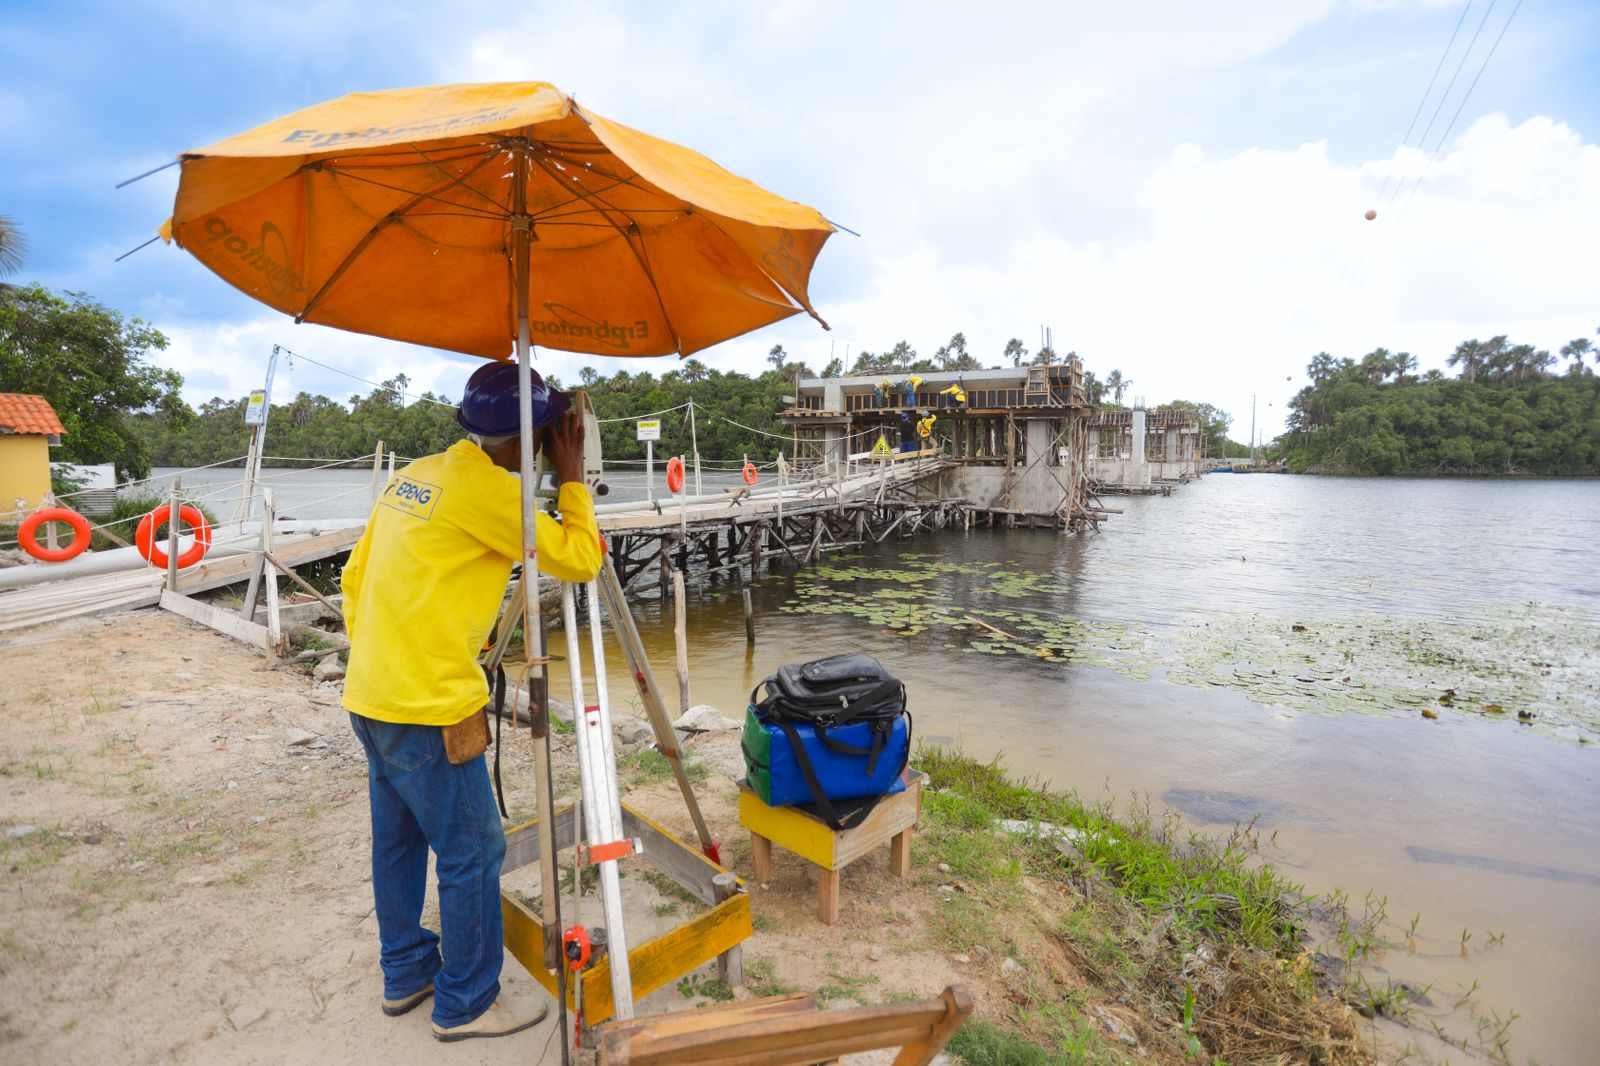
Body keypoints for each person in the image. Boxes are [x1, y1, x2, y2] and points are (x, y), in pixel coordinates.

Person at [340, 360, 602, 1042]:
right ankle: (467, 1002)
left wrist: (385, 659)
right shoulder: (493, 496)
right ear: (533, 437)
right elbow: (579, 558)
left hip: (370, 693)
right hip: (430, 706)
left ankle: (406, 974)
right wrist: (572, 481)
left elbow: (354, 576)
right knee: (471, 851)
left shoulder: (416, 474)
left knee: (397, 843)